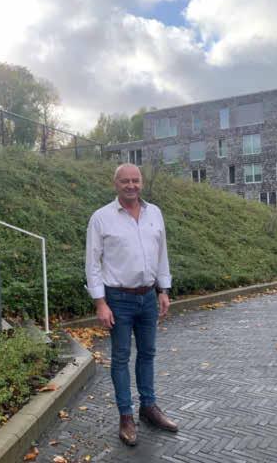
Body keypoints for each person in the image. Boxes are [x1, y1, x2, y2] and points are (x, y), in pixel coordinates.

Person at [85, 162, 178, 446]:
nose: (131, 185)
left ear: (142, 182)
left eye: (135, 180)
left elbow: (161, 254)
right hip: (118, 299)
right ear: (116, 184)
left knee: (148, 353)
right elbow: (92, 264)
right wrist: (100, 303)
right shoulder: (101, 218)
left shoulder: (155, 213)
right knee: (121, 357)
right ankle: (126, 416)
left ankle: (148, 408)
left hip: (148, 297)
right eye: (125, 181)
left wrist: (163, 290)